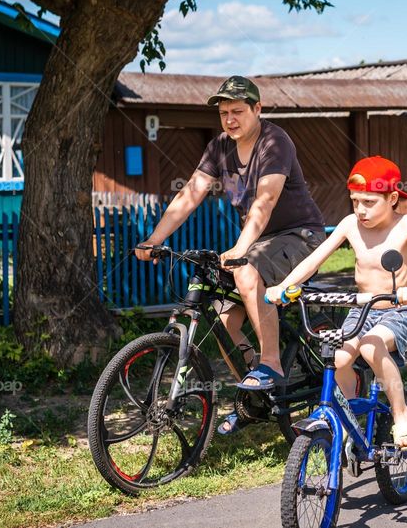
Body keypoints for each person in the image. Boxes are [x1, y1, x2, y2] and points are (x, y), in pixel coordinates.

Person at [135, 75, 326, 434]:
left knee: (246, 269)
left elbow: (266, 200)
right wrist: (154, 239)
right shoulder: (219, 147)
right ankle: (254, 398)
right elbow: (191, 193)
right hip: (261, 241)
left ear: (258, 109)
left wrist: (242, 250)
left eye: (237, 111)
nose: (230, 119)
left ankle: (271, 363)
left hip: (301, 236)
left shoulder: (275, 141)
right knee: (224, 318)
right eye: (224, 113)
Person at [266, 156, 407, 450]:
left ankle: (401, 415)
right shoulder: (351, 225)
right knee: (335, 359)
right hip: (361, 311)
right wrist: (286, 286)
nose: (361, 210)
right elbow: (314, 259)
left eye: (369, 202)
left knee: (371, 346)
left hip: (398, 312)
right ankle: (348, 414)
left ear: (392, 198)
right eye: (355, 201)